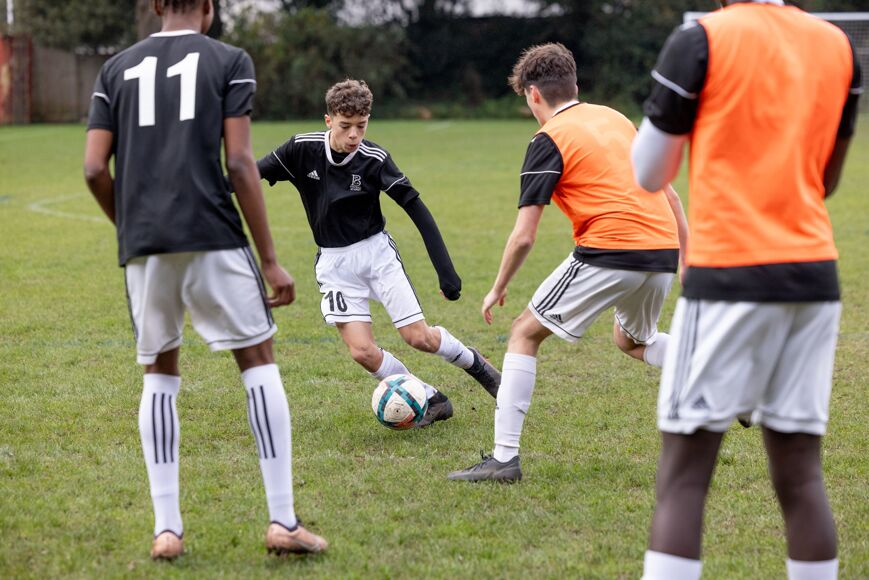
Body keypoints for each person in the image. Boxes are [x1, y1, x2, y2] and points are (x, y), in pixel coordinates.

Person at [83, 0, 327, 560]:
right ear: (209, 7)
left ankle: (167, 529)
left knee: (159, 372)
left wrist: (131, 226)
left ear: (153, 4)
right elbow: (241, 163)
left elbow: (95, 168)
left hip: (146, 246)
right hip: (213, 234)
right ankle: (283, 520)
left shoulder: (115, 69)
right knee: (258, 360)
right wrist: (269, 257)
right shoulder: (228, 59)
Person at [631, 1, 862, 578]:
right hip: (813, 274)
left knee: (684, 477)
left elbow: (649, 174)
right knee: (802, 475)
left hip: (729, 272)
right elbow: (826, 179)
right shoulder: (838, 45)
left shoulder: (700, 40)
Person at [447, 43, 688, 483]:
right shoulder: (616, 119)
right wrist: (687, 257)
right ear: (575, 85)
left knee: (523, 332)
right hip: (662, 250)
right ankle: (730, 383)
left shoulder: (547, 139)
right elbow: (669, 193)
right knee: (631, 341)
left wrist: (498, 286)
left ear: (533, 95)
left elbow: (524, 235)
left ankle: (504, 460)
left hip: (610, 250)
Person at [255, 79, 501, 427]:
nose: (354, 135)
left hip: (376, 256)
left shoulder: (374, 158)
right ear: (329, 120)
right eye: (345, 126)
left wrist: (445, 268)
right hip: (334, 263)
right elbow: (250, 173)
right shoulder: (300, 148)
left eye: (361, 126)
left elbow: (414, 205)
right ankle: (431, 398)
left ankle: (476, 365)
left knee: (419, 338)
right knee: (362, 352)